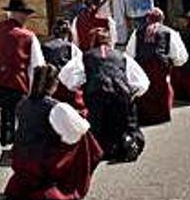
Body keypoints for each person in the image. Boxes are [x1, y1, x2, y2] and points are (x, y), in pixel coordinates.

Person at [5, 65, 103, 200]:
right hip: (42, 163)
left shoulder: (22, 103)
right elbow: (81, 128)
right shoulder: (56, 107)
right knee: (85, 137)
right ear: (54, 84)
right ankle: (71, 180)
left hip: (21, 160)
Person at [59, 28, 149, 162]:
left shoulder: (84, 57)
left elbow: (66, 78)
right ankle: (127, 145)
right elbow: (142, 83)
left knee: (96, 126)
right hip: (120, 98)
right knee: (127, 123)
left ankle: (101, 150)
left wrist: (83, 84)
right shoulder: (122, 56)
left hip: (95, 98)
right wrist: (131, 94)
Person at [0, 0, 45, 146]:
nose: (26, 18)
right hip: (15, 86)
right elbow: (37, 66)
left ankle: (6, 136)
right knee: (18, 107)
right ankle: (18, 140)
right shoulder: (29, 36)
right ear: (19, 15)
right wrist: (33, 91)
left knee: (6, 107)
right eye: (25, 14)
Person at [126, 8, 189, 126]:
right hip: (160, 67)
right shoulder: (169, 31)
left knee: (144, 88)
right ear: (162, 19)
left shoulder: (137, 32)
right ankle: (161, 115)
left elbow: (130, 53)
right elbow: (179, 56)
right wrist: (173, 63)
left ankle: (145, 115)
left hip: (142, 66)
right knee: (163, 88)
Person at [42, 19, 86, 115]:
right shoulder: (72, 48)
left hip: (49, 84)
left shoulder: (44, 46)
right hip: (65, 87)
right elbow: (79, 69)